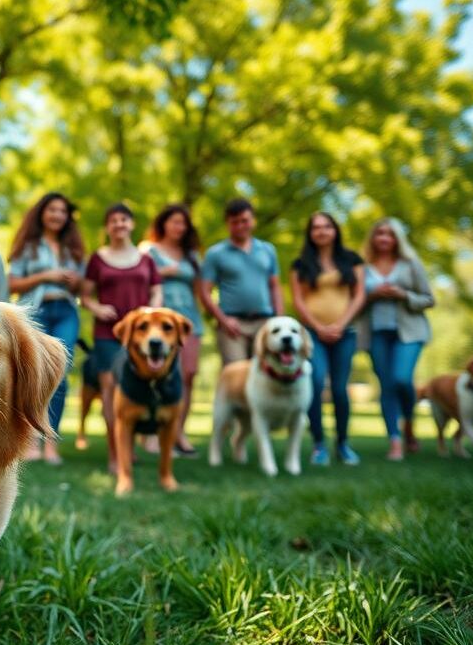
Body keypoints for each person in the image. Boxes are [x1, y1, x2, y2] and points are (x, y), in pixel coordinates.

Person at [81, 203, 163, 474]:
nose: (119, 224)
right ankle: (115, 455)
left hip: (140, 338)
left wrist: (150, 314)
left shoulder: (146, 260)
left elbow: (157, 292)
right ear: (108, 227)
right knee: (109, 390)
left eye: (124, 220)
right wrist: (97, 307)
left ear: (132, 224)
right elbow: (85, 296)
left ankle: (129, 445)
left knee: (136, 389)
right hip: (108, 334)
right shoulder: (98, 258)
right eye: (114, 220)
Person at [8, 192, 86, 464]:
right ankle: (30, 440)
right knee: (33, 373)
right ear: (42, 213)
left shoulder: (72, 250)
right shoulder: (27, 246)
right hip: (35, 312)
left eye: (62, 211)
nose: (57, 215)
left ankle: (51, 442)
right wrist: (46, 275)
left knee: (60, 374)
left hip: (65, 311)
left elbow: (83, 289)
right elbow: (12, 284)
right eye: (52, 209)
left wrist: (75, 281)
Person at [290, 212, 366, 467]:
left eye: (326, 226)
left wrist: (340, 324)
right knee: (314, 381)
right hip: (312, 333)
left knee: (339, 389)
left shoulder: (351, 260)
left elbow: (359, 296)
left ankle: (343, 444)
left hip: (346, 333)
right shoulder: (301, 264)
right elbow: (299, 300)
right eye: (316, 228)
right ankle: (319, 444)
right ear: (310, 233)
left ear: (335, 230)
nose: (321, 231)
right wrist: (319, 327)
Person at [359, 217, 434, 461]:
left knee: (402, 379)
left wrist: (403, 295)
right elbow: (354, 304)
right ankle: (394, 440)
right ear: (373, 237)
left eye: (389, 234)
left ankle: (409, 423)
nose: (383, 238)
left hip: (409, 332)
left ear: (396, 239)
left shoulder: (410, 264)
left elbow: (429, 299)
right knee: (387, 386)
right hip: (377, 333)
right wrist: (371, 297)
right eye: (379, 233)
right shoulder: (363, 267)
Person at [140, 204, 204, 457]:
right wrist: (165, 271)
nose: (179, 227)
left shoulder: (191, 255)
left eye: (183, 223)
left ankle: (179, 431)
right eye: (174, 222)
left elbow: (200, 290)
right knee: (160, 376)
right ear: (163, 223)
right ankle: (151, 434)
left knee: (188, 375)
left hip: (190, 322)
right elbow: (137, 278)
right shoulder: (148, 250)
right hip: (159, 322)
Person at [200, 198, 283, 365]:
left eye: (244, 221)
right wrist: (223, 320)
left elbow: (274, 286)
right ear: (227, 224)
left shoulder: (267, 250)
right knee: (236, 374)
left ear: (253, 220)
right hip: (232, 325)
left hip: (264, 322)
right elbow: (204, 292)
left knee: (266, 373)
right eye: (234, 222)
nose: (240, 226)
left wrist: (278, 321)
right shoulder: (215, 253)